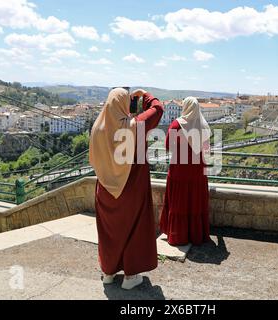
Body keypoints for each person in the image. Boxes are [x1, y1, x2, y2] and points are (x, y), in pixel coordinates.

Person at [89, 88, 164, 290]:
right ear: (124, 104)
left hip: (104, 188)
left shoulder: (97, 127)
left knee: (108, 232)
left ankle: (108, 272)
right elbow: (158, 109)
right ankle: (131, 277)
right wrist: (145, 95)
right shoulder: (136, 126)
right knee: (134, 228)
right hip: (131, 188)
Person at [159, 97, 211, 246]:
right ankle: (195, 235)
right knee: (195, 201)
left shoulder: (177, 124)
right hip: (198, 169)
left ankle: (178, 235)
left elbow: (168, 145)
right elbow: (207, 148)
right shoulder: (203, 125)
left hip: (180, 169)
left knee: (179, 201)